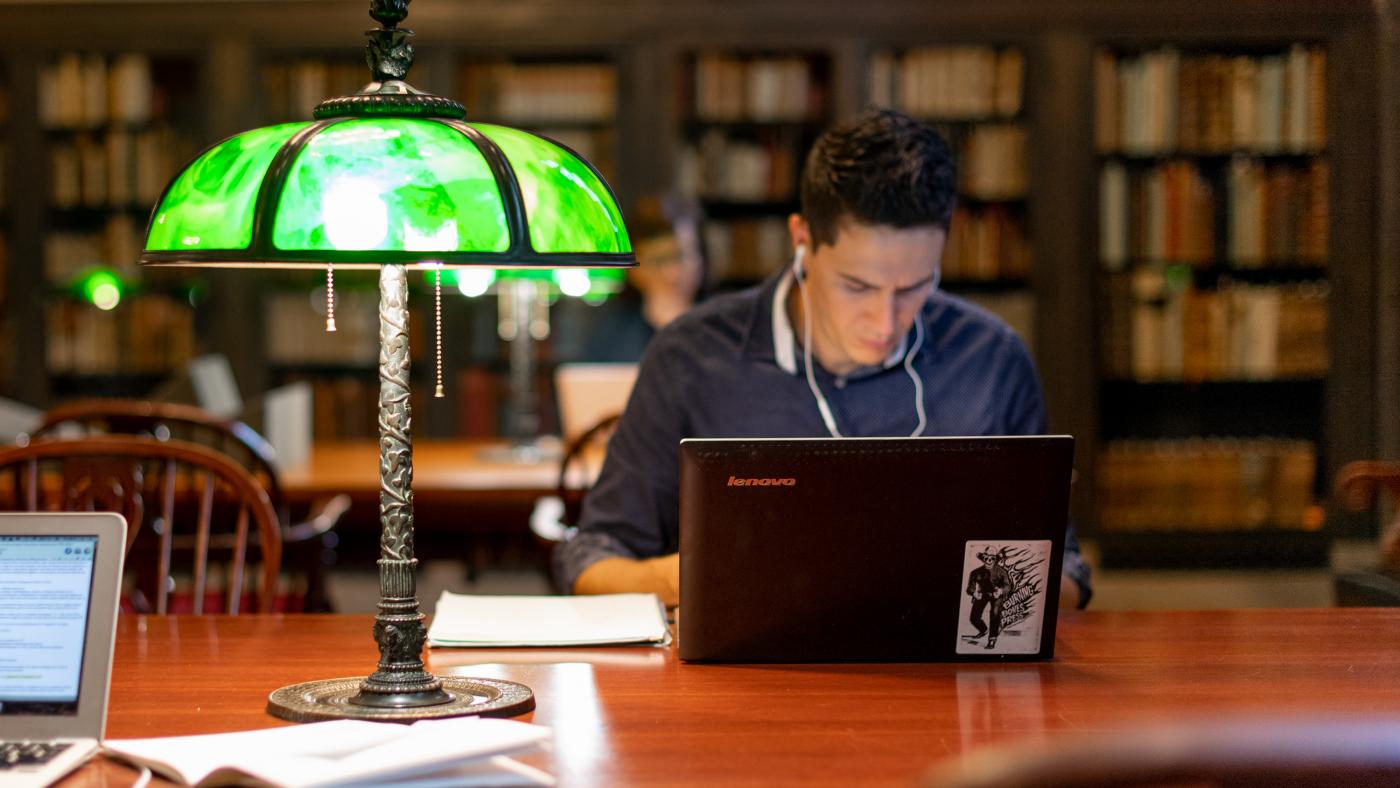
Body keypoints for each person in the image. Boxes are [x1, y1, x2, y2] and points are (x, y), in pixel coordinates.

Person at [554, 108, 1093, 609]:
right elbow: (591, 559)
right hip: (746, 693)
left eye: (915, 286)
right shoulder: (692, 357)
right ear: (802, 239)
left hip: (944, 687)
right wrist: (692, 578)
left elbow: (1065, 571)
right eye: (858, 286)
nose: (886, 323)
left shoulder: (991, 359)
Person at [571, 194, 707, 362]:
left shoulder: (727, 331)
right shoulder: (608, 339)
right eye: (658, 260)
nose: (672, 274)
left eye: (681, 256)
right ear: (635, 271)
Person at [966, 549, 1014, 649]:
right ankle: (983, 630)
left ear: (995, 559)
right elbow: (970, 587)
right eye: (986, 558)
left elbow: (1008, 586)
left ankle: (992, 639)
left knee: (995, 613)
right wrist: (974, 593)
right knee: (974, 617)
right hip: (982, 594)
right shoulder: (975, 572)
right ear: (982, 558)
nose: (989, 561)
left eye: (992, 558)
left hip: (997, 595)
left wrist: (1001, 591)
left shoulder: (1001, 571)